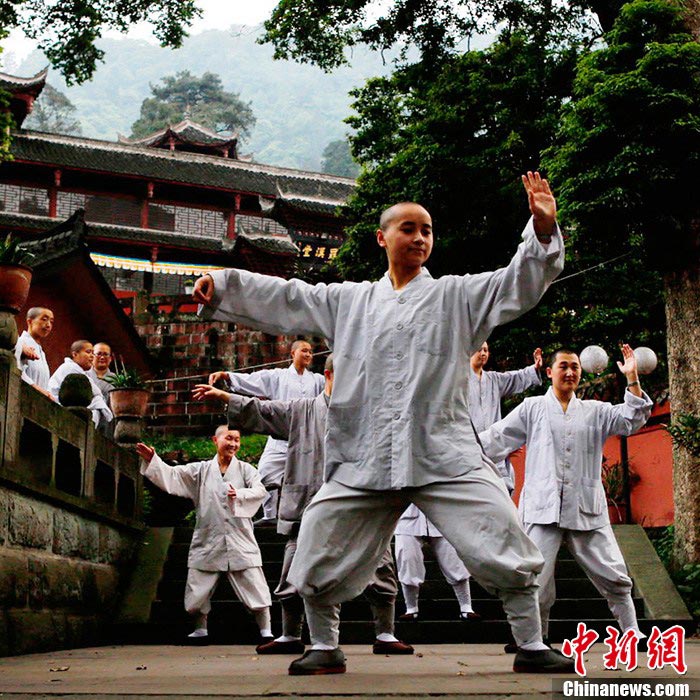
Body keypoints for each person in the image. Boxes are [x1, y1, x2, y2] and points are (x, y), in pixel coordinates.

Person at [194, 172, 574, 675]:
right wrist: (223, 285)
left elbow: (516, 283)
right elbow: (289, 298)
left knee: (500, 532)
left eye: (428, 231)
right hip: (364, 456)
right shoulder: (348, 301)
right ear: (382, 237)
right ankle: (324, 646)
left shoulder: (457, 297)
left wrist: (542, 230)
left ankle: (530, 643)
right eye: (409, 229)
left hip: (444, 451)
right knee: (317, 540)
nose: (420, 238)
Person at [194, 354, 414, 660]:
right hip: (309, 504)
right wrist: (227, 397)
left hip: (361, 506)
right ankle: (290, 635)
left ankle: (385, 633)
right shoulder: (302, 410)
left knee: (380, 566)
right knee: (293, 571)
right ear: (328, 376)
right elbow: (264, 410)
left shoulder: (372, 416)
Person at [478, 345, 652, 644]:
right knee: (535, 580)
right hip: (541, 509)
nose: (570, 372)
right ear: (549, 372)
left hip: (587, 509)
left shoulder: (595, 411)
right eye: (563, 367)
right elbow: (495, 439)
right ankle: (535, 640)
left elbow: (631, 419)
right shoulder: (532, 408)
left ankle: (632, 632)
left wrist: (632, 378)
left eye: (575, 367)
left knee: (614, 575)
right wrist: (455, 452)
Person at [135, 427, 274, 646]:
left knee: (254, 583)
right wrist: (155, 460)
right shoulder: (200, 471)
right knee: (198, 586)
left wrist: (240, 494)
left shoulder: (246, 470)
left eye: (237, 440)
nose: (233, 444)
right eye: (229, 438)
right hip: (209, 535)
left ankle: (266, 630)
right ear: (215, 439)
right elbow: (174, 475)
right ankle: (200, 629)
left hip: (240, 537)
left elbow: (259, 490)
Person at [208, 340, 324, 525]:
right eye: (304, 351)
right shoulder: (278, 377)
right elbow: (254, 380)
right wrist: (227, 376)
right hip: (280, 434)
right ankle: (269, 515)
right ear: (292, 354)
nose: (308, 355)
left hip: (307, 439)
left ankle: (306, 517)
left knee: (310, 478)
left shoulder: (318, 380)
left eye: (311, 352)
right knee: (265, 474)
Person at [470, 343, 543, 492]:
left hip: (494, 449)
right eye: (479, 349)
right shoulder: (458, 382)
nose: (483, 353)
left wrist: (534, 368)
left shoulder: (494, 380)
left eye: (486, 350)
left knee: (500, 490)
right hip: (469, 447)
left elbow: (516, 378)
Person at [394, 504, 480, 622]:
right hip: (407, 515)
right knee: (407, 558)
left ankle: (466, 607)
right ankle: (411, 608)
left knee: (453, 558)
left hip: (443, 513)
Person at [48, 340, 113, 428]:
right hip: (59, 409)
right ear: (75, 354)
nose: (92, 356)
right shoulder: (70, 367)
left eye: (93, 353)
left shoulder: (82, 371)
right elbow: (95, 391)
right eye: (88, 352)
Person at [13, 306, 55, 400]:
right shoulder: (21, 343)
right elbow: (17, 371)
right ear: (30, 321)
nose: (48, 325)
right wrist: (37, 389)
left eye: (51, 322)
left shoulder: (41, 352)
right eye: (44, 319)